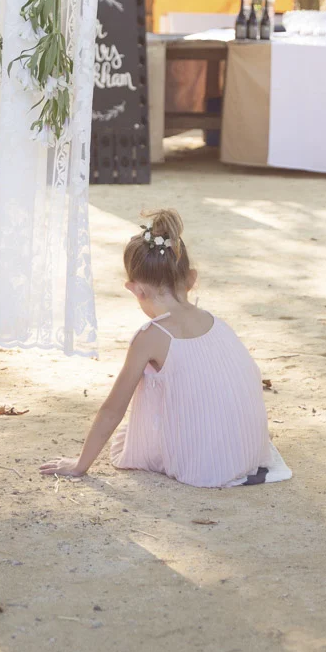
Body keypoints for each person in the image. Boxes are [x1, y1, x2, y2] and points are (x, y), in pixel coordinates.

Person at [39, 208, 291, 488]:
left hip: (204, 465)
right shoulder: (215, 321)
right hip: (247, 450)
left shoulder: (150, 336)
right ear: (191, 279)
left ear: (136, 290)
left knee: (137, 415)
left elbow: (113, 409)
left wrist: (80, 464)